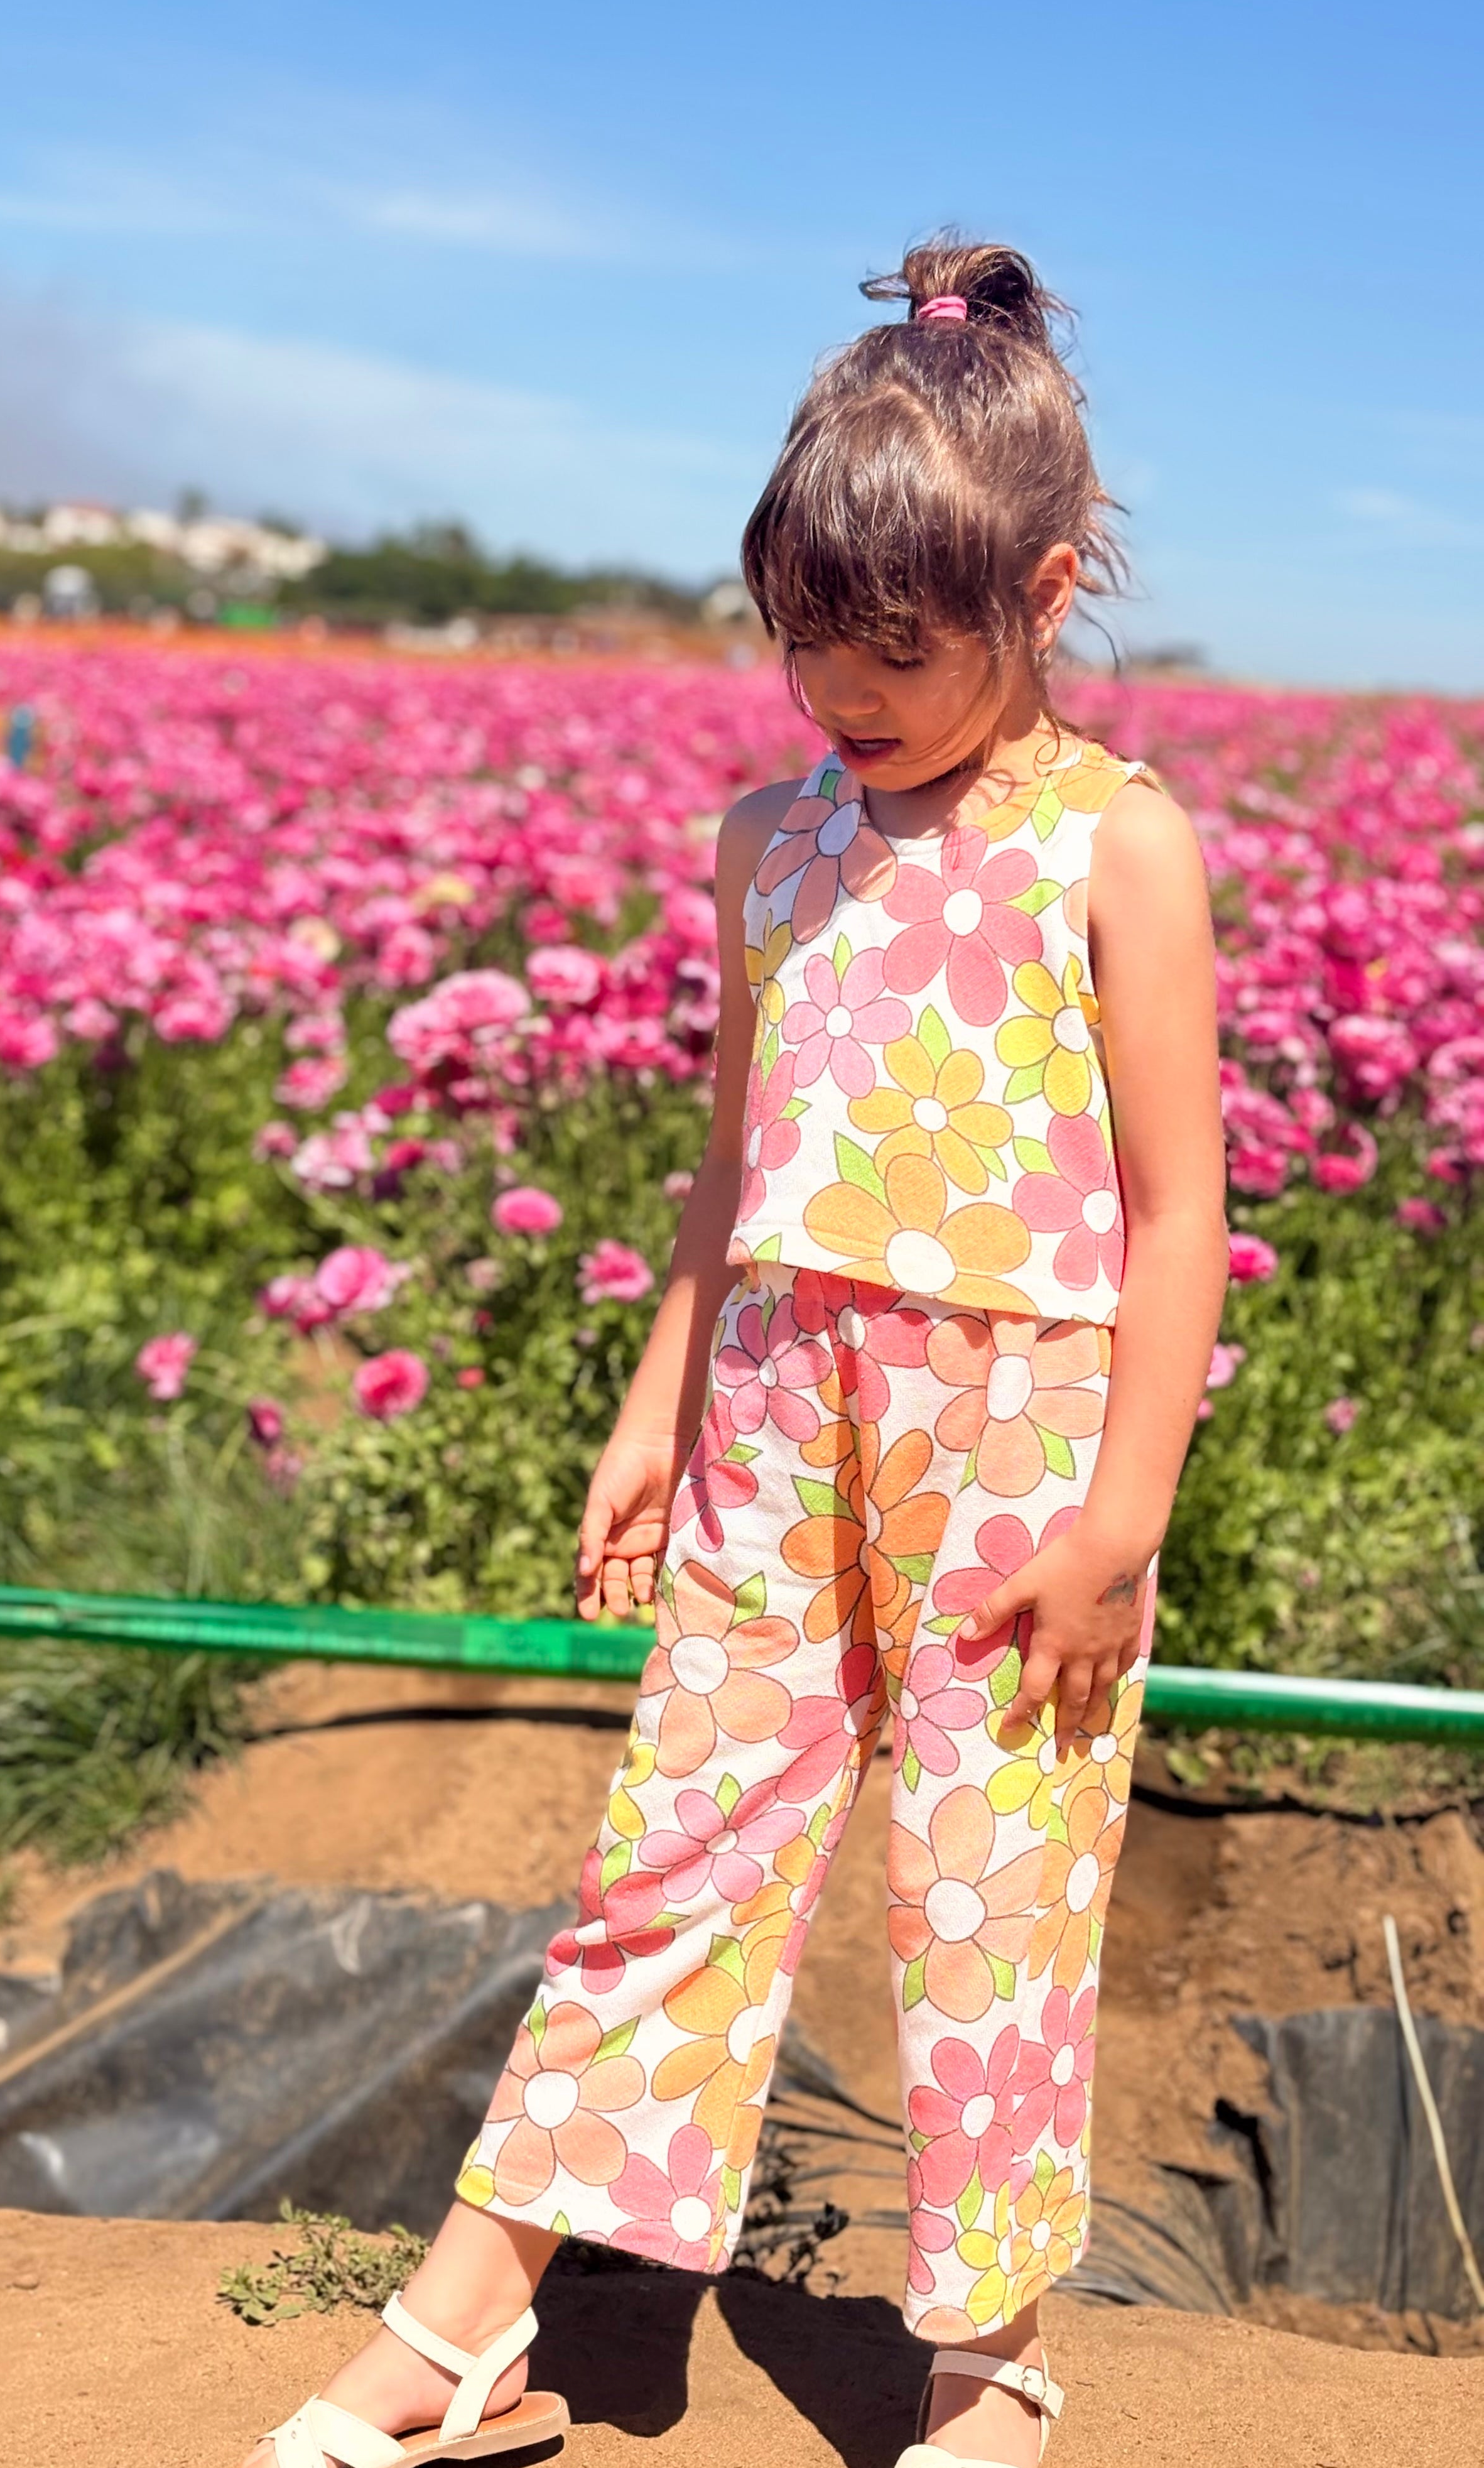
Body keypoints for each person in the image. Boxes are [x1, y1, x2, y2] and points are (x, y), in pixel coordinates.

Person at [249, 239, 1227, 2468]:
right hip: (778, 1402)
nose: (847, 691)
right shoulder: (761, 846)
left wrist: (1122, 1517)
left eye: (904, 643)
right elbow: (732, 1164)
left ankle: (988, 2362)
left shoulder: (1116, 841)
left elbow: (1182, 1216)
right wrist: (643, 1408)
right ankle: (473, 2316)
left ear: (1048, 589)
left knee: (991, 1879)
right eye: (804, 636)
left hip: (1022, 1426)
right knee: (674, 1842)